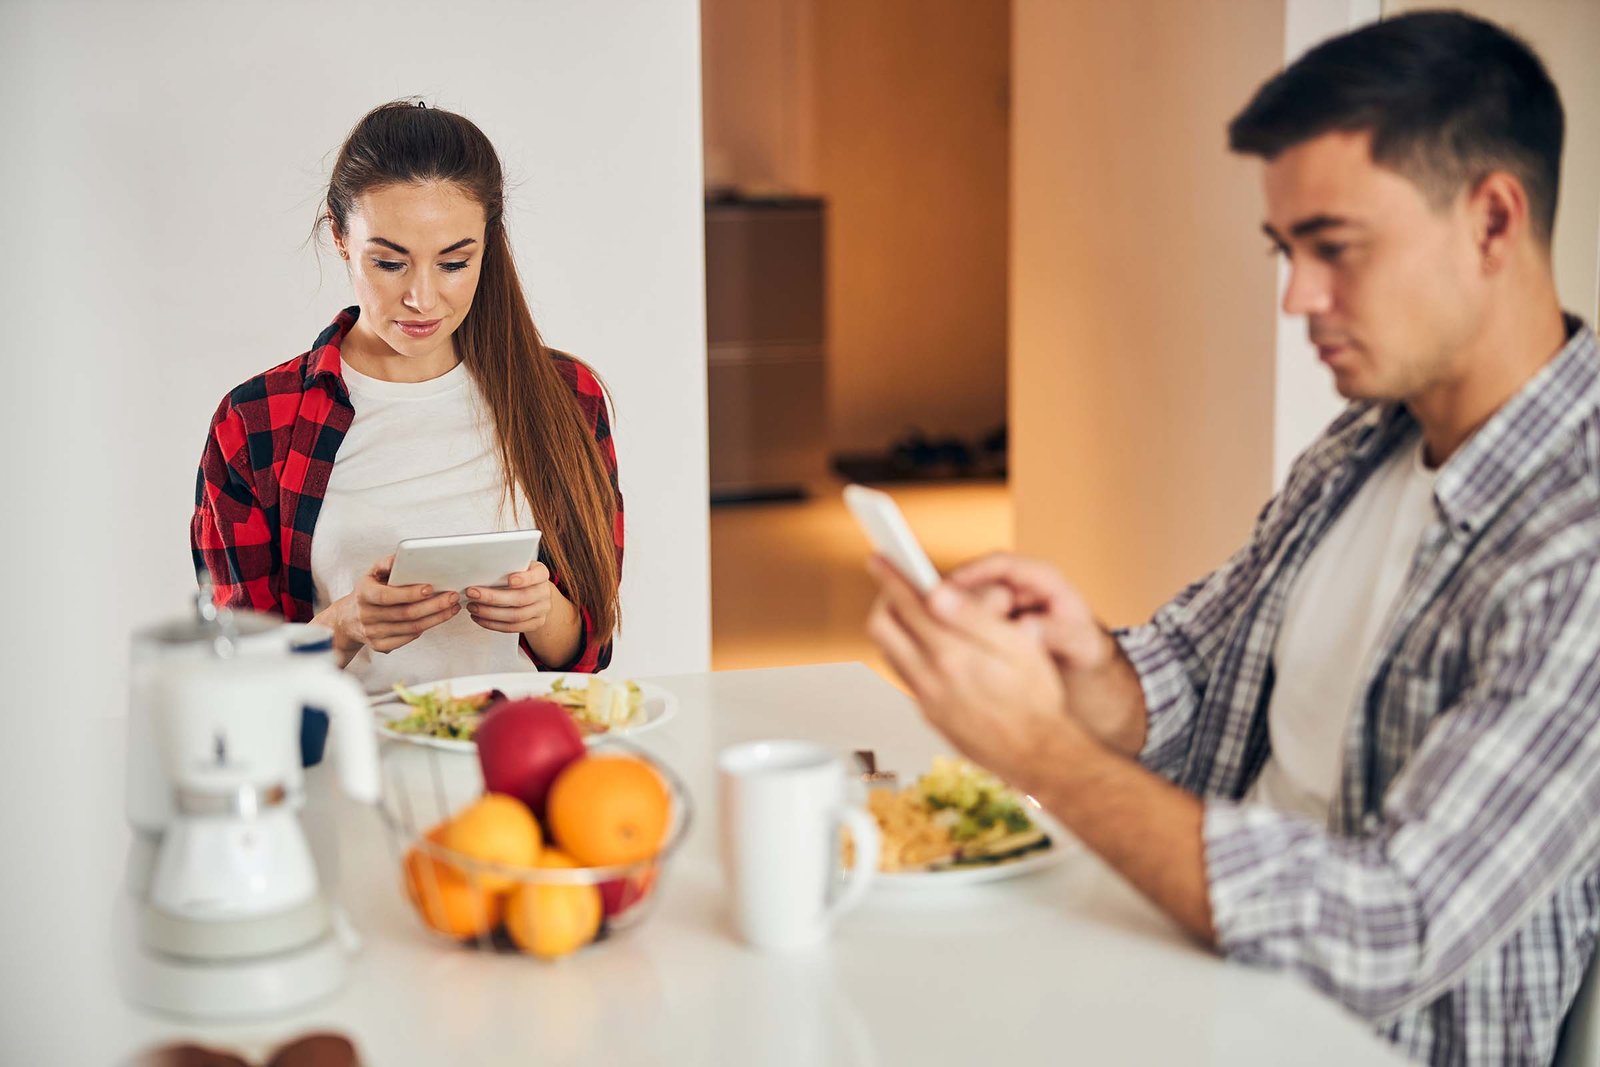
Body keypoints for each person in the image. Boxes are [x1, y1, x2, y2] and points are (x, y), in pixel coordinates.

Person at [867, 12, 1597, 1064]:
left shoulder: (1578, 541)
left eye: (1334, 248)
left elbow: (1389, 925)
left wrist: (1043, 752)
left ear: (1491, 220)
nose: (1298, 296)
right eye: (1286, 250)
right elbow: (1202, 668)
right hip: (1186, 977)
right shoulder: (1364, 444)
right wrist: (1080, 661)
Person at [193, 101, 623, 691]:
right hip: (350, 764)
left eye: (454, 262)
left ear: (488, 246)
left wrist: (544, 613)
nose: (422, 299)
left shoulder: (566, 399)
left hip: (517, 757)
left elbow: (588, 655)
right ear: (340, 236)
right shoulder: (256, 423)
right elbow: (235, 681)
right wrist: (344, 626)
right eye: (390, 262)